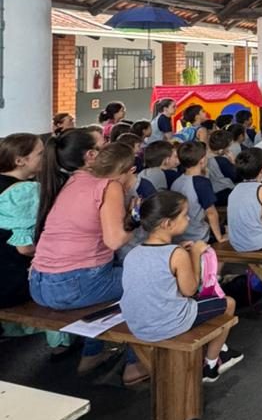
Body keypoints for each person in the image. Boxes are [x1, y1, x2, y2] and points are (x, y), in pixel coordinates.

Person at [31, 139, 148, 383]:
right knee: (148, 281)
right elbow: (115, 241)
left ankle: (91, 354)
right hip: (74, 285)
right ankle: (135, 364)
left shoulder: (76, 179)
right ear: (129, 171)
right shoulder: (110, 186)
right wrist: (135, 216)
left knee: (123, 276)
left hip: (39, 282)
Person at [120, 191, 243, 383]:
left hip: (138, 326)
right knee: (228, 304)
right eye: (184, 215)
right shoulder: (176, 254)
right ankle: (211, 364)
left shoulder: (133, 253)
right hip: (168, 323)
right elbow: (190, 290)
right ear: (167, 224)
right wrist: (194, 254)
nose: (188, 219)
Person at [0, 134, 72, 354]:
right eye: (41, 154)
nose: (47, 157)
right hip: (10, 280)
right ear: (20, 160)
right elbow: (25, 248)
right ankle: (62, 343)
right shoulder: (24, 191)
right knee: (65, 274)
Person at [171, 142, 224, 244]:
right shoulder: (202, 183)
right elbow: (211, 213)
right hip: (199, 236)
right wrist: (220, 238)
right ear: (202, 160)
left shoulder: (176, 181)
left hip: (179, 235)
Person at [207, 130, 239, 207]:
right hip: (222, 193)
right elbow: (236, 177)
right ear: (223, 148)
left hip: (210, 193)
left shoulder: (204, 156)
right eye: (228, 146)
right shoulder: (221, 161)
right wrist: (234, 162)